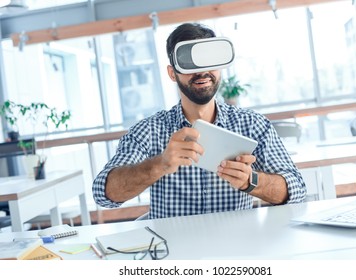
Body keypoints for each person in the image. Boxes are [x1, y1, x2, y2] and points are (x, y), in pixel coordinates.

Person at [92, 22, 306, 219]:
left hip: (236, 250)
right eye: (189, 63)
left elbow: (297, 190)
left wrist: (252, 181)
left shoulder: (252, 125)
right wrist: (160, 164)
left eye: (209, 61)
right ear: (172, 73)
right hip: (172, 253)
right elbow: (103, 194)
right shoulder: (148, 132)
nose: (202, 71)